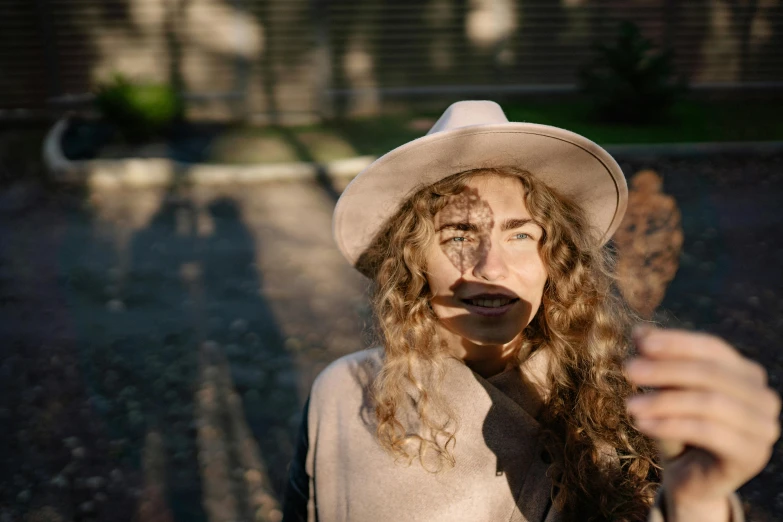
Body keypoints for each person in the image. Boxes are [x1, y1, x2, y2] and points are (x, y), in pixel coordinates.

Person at [281, 101, 780, 522]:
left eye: (520, 234)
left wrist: (697, 501)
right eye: (458, 234)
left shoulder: (622, 396)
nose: (490, 267)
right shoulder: (344, 395)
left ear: (554, 259)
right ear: (412, 260)